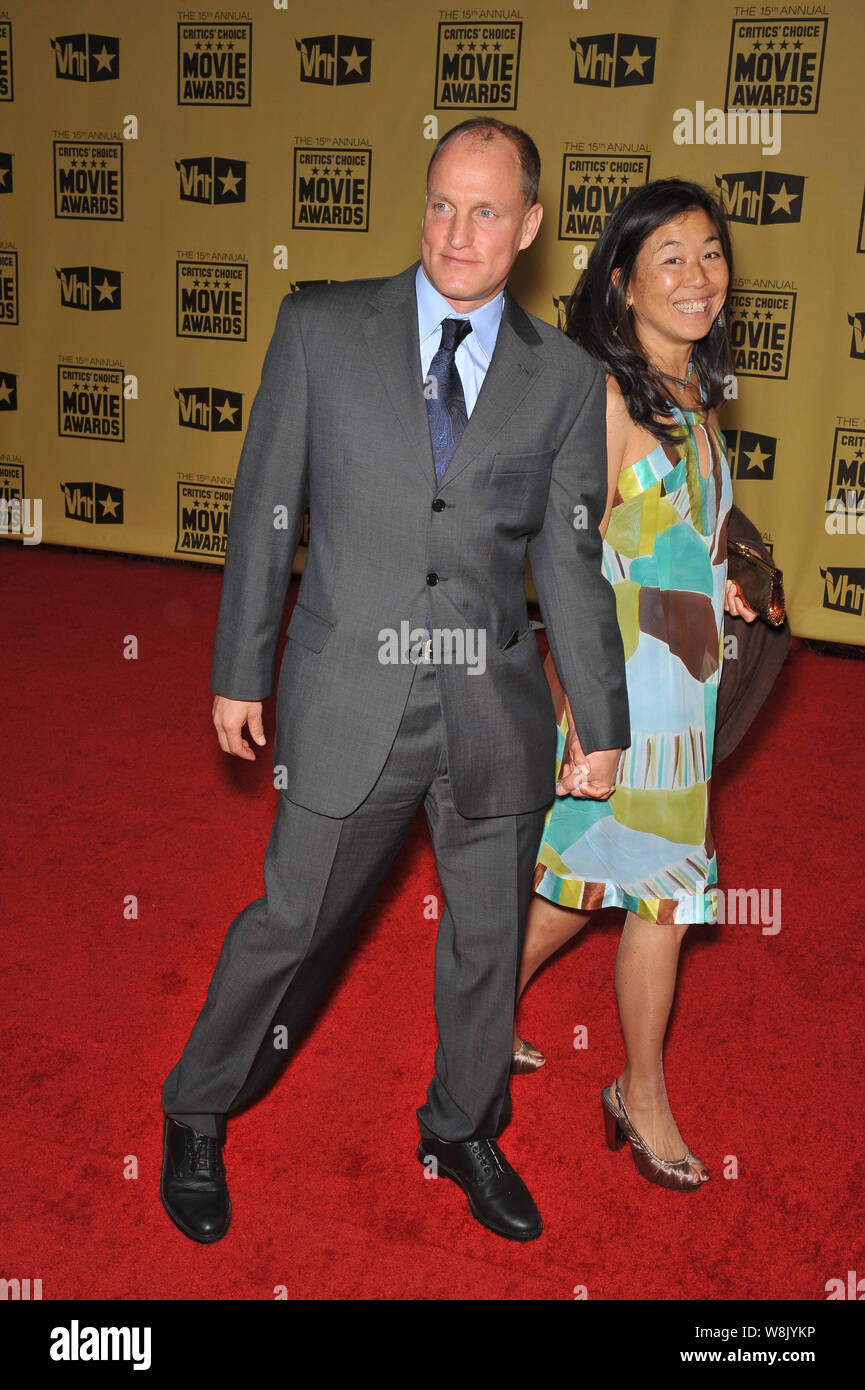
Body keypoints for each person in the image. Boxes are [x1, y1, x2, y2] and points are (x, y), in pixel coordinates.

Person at [160, 118, 629, 1245]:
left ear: (527, 227)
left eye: (483, 211)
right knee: (290, 920)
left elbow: (565, 556)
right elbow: (268, 504)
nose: (454, 232)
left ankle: (462, 1124)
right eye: (438, 204)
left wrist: (600, 717)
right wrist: (240, 668)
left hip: (490, 700)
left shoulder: (563, 379)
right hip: (347, 687)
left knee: (482, 936)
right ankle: (195, 1109)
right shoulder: (320, 327)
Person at [511, 179, 756, 1192]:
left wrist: (723, 581)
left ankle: (476, 1009)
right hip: (625, 690)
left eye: (710, 254)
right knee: (661, 893)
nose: (696, 278)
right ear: (620, 282)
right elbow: (562, 560)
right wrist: (579, 705)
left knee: (586, 870)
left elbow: (676, 535)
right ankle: (638, 1095)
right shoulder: (601, 399)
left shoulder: (694, 385)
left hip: (683, 680)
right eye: (669, 258)